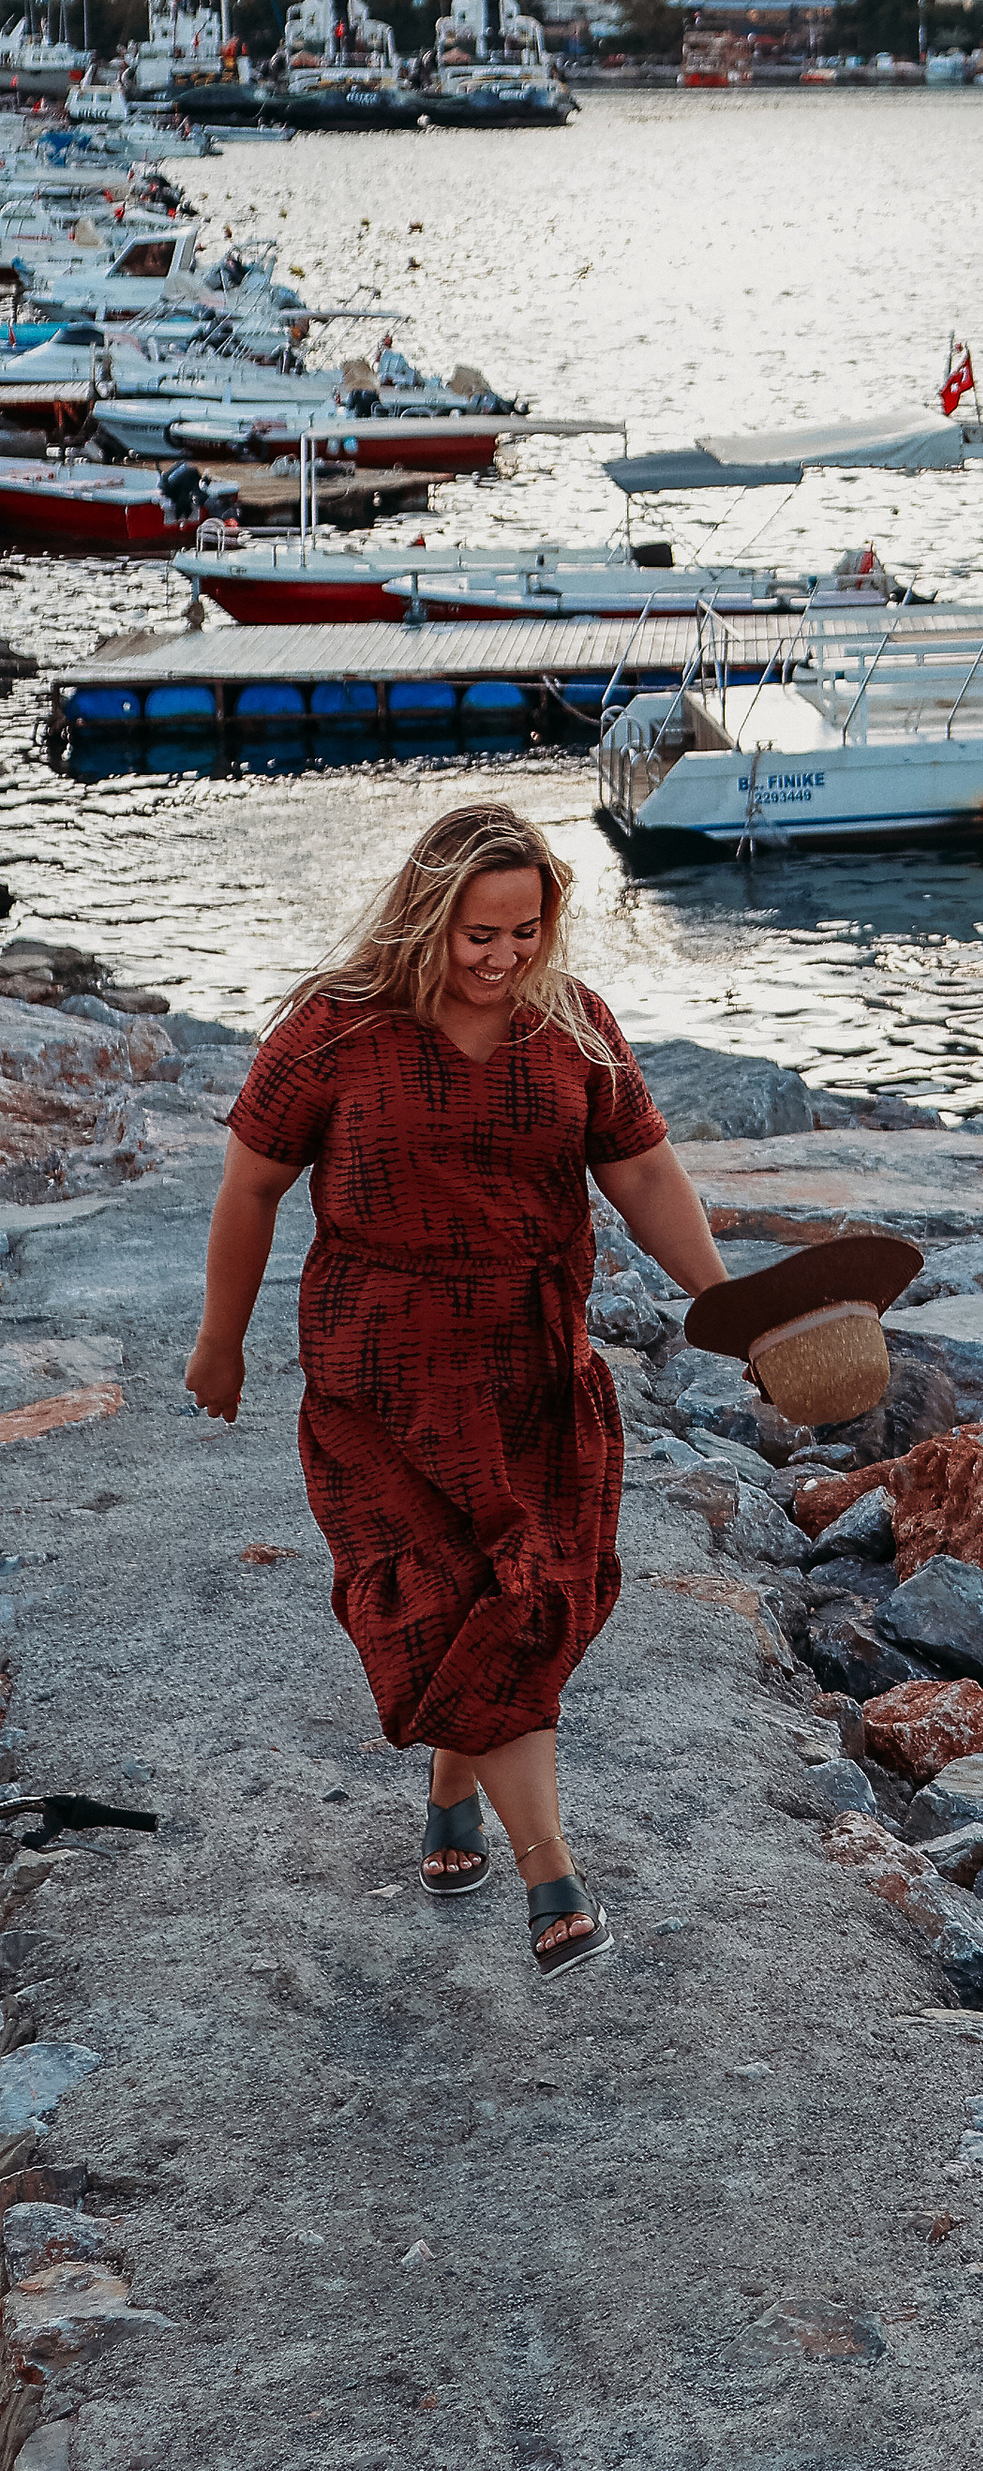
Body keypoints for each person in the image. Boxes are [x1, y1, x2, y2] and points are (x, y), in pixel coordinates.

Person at [185, 804, 728, 1980]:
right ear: (425, 915)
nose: (501, 958)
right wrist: (219, 1340)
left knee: (531, 1594)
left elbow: (638, 1169)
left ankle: (451, 1793)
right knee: (441, 1595)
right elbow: (249, 1190)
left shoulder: (574, 1027)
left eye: (524, 931)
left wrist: (725, 1301)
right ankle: (553, 1876)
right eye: (477, 934)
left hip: (534, 1367)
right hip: (379, 1372)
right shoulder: (333, 1034)